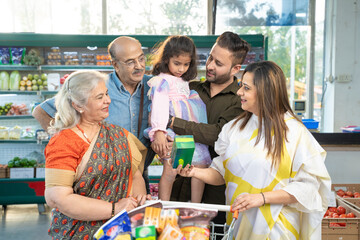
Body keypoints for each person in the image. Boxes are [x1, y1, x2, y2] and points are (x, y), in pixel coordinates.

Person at [178, 61, 331, 239]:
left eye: (246, 88)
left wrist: (262, 198)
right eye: (241, 86)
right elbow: (222, 173)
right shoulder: (234, 128)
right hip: (239, 225)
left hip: (277, 229)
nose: (239, 92)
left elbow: (309, 187)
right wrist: (194, 172)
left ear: (266, 92)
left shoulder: (294, 133)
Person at [32, 36, 156, 193]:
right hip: (100, 175)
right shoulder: (99, 85)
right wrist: (64, 138)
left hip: (138, 171)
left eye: (141, 58)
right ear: (115, 65)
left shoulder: (155, 87)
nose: (139, 66)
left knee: (137, 214)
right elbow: (40, 110)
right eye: (130, 62)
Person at [44, 70, 150, 239]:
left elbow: (134, 174)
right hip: (79, 232)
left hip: (121, 231)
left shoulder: (118, 134)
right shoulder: (64, 142)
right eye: (99, 97)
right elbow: (58, 199)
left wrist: (138, 201)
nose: (108, 100)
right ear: (78, 105)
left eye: (106, 94)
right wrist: (115, 208)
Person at [159, 32, 250, 227]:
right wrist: (161, 135)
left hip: (214, 194)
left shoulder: (239, 100)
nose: (209, 65)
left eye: (218, 63)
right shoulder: (189, 88)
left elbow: (216, 134)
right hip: (177, 186)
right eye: (210, 57)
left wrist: (173, 122)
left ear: (235, 68)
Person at [144, 35, 211, 203]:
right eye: (177, 63)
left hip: (188, 130)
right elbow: (159, 107)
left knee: (200, 165)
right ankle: (163, 205)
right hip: (172, 131)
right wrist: (159, 130)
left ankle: (197, 206)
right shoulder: (162, 81)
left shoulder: (183, 81)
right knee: (171, 169)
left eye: (186, 64)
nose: (181, 69)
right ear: (167, 59)